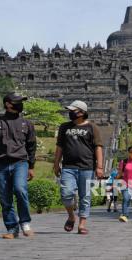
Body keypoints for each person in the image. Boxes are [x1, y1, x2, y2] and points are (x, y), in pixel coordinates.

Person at [0, 92, 37, 239]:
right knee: (5, 198)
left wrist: (31, 166)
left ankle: (25, 223)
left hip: (20, 162)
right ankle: (12, 228)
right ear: (7, 104)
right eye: (17, 102)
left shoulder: (27, 124)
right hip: (0, 163)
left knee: (20, 190)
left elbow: (31, 146)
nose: (20, 104)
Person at [53, 100, 103, 235]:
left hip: (87, 167)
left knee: (85, 196)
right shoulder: (64, 127)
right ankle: (71, 216)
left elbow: (98, 147)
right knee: (66, 193)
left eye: (73, 111)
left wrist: (99, 167)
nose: (70, 113)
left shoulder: (92, 128)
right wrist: (56, 164)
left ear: (82, 112)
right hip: (68, 166)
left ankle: (82, 224)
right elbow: (59, 147)